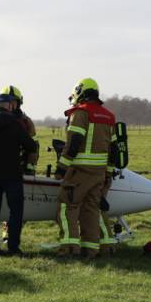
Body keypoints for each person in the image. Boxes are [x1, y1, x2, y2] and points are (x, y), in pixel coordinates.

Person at [56, 78, 117, 259]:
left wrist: (62, 167)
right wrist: (108, 172)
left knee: (67, 206)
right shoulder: (109, 116)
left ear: (80, 92)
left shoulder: (80, 113)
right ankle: (91, 249)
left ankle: (69, 248)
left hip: (80, 171)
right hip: (99, 173)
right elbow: (113, 150)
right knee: (91, 209)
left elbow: (73, 142)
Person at [0, 92, 37, 255]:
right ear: (10, 105)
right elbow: (31, 146)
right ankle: (13, 247)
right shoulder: (15, 123)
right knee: (16, 212)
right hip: (12, 174)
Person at [0, 85, 39, 173]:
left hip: (19, 165)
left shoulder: (26, 122)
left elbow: (34, 145)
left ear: (19, 103)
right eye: (7, 102)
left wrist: (29, 170)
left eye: (13, 102)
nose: (10, 105)